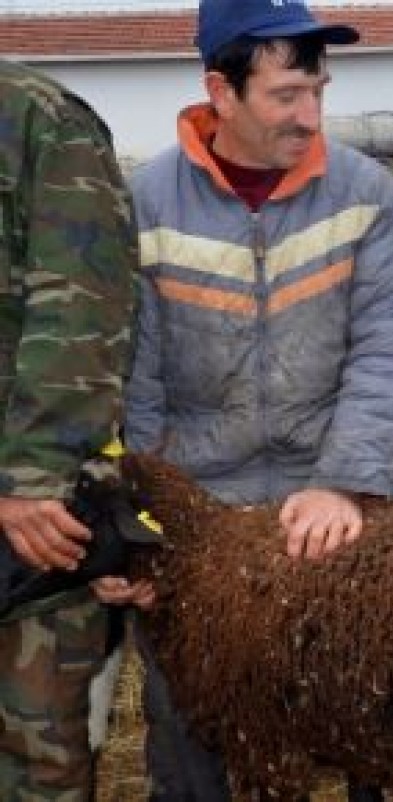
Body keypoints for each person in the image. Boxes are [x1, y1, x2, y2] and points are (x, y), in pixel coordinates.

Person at [119, 0, 393, 799]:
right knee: (190, 719)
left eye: (317, 90)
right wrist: (144, 532)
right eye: (286, 95)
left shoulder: (365, 193)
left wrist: (348, 482)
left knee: (378, 704)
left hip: (331, 493)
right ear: (220, 91)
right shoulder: (146, 204)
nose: (310, 113)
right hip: (203, 506)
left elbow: (391, 351)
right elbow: (133, 382)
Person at [0, 58, 142, 802]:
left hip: (25, 532)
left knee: (37, 756)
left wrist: (28, 484)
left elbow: (83, 314)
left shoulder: (41, 120)